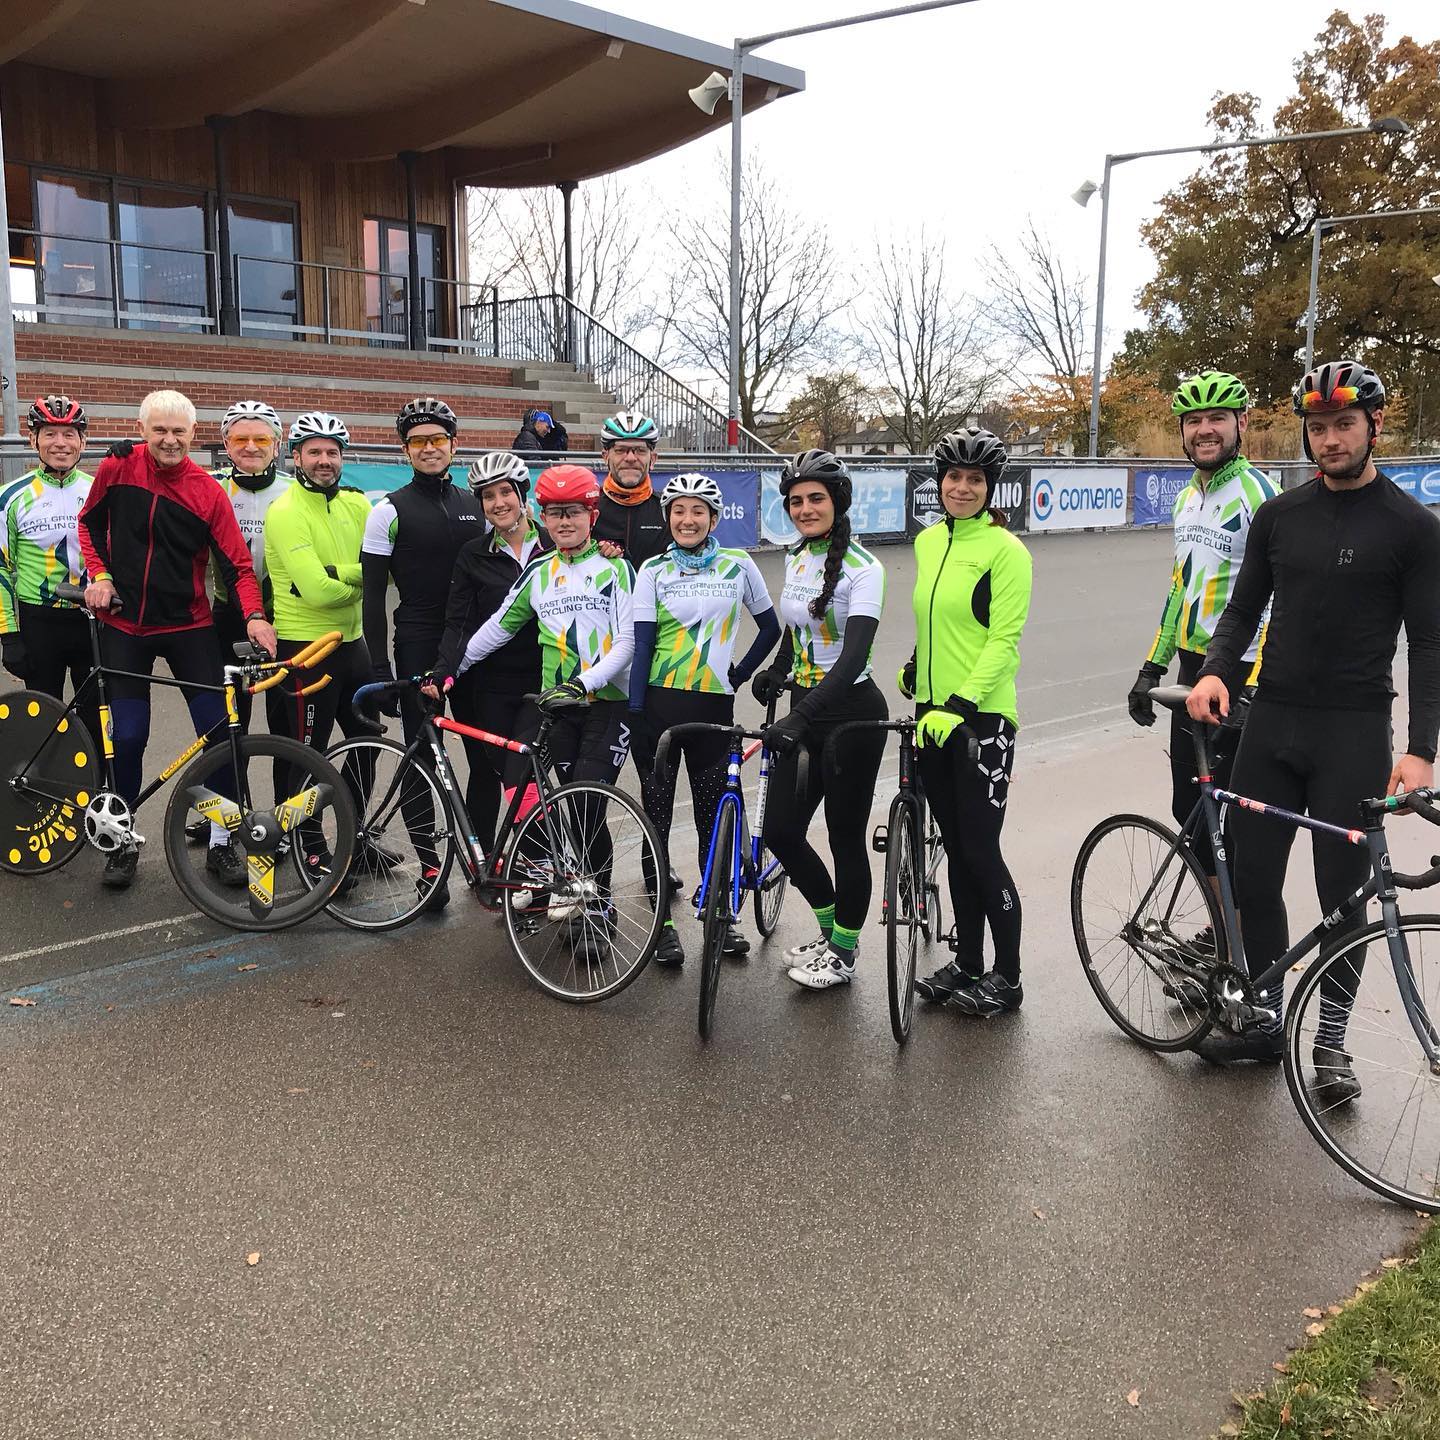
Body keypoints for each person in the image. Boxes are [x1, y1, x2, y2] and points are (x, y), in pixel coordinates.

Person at [1187, 358, 1440, 1093]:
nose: (1330, 440)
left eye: (1344, 424)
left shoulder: (1413, 529)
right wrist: (1216, 670)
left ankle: (1331, 1042)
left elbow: (1428, 645)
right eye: (1319, 427)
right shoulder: (1280, 516)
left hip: (1353, 732)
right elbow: (1242, 610)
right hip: (1272, 720)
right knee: (1253, 878)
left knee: (1344, 896)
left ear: (1374, 426)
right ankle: (1266, 1019)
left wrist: (1421, 749)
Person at [77, 389, 275, 889]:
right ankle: (121, 839)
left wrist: (254, 616)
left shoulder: (207, 492)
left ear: (193, 434)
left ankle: (221, 841)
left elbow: (238, 566)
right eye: (159, 430)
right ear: (142, 430)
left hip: (189, 626)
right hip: (125, 626)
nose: (170, 439)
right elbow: (88, 525)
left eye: (179, 431)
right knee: (127, 736)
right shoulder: (117, 468)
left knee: (221, 733)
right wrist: (99, 575)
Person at [436, 464, 635, 962]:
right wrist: (448, 672)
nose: (563, 521)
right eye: (554, 513)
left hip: (605, 704)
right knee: (558, 800)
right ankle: (572, 892)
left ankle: (600, 909)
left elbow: (628, 642)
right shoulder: (540, 571)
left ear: (591, 515)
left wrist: (583, 683)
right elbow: (497, 627)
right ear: (541, 517)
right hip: (557, 707)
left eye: (573, 512)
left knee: (587, 806)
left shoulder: (615, 567)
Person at [1127, 372, 1278, 921]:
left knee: (1237, 820)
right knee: (1190, 808)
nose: (1205, 430)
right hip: (1193, 669)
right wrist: (1152, 666)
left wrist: (1256, 685)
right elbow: (1180, 587)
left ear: (1242, 423)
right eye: (1194, 421)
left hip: (1242, 669)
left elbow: (1278, 598)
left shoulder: (1261, 495)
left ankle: (1244, 938)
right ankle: (1220, 931)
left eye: (1217, 418)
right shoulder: (1188, 497)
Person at [901, 428, 1033, 1017]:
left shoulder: (1007, 551)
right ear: (939, 481)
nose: (961, 487)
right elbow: (940, 622)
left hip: (982, 721)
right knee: (953, 846)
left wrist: (960, 703)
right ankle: (969, 963)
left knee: (980, 850)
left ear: (990, 487)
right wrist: (917, 669)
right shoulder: (928, 542)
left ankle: (1009, 976)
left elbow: (1003, 641)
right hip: (933, 716)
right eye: (953, 477)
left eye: (974, 479)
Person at [628, 473, 781, 967]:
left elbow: (770, 628)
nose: (687, 520)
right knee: (656, 817)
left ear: (714, 519)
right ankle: (662, 926)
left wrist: (738, 674)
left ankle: (720, 913)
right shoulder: (653, 569)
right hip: (658, 708)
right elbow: (643, 644)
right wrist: (635, 711)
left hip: (714, 709)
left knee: (712, 818)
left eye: (698, 511)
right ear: (668, 518)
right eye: (678, 511)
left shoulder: (739, 565)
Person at [751, 449, 888, 991]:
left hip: (852, 715)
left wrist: (801, 714)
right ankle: (833, 933)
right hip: (805, 712)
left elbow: (851, 659)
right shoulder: (798, 557)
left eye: (816, 499)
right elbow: (798, 630)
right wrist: (776, 668)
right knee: (781, 830)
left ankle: (845, 954)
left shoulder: (865, 568)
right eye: (796, 501)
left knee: (843, 837)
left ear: (838, 502)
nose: (805, 509)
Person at [362, 397, 485, 909]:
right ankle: (431, 868)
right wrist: (379, 668)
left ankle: (485, 857)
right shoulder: (388, 510)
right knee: (423, 759)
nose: (429, 448)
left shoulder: (477, 504)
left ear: (454, 445)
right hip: (416, 641)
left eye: (437, 439)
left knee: (484, 755)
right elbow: (373, 598)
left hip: (474, 645)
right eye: (418, 442)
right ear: (405, 450)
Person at [433, 452, 552, 850]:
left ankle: (542, 862)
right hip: (492, 686)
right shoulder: (473, 553)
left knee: (523, 778)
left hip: (545, 681)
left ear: (522, 494)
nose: (498, 503)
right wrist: (444, 670)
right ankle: (498, 860)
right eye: (488, 496)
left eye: (506, 492)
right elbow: (459, 622)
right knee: (503, 776)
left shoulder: (555, 544)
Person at [0, 395, 101, 749]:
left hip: (91, 620)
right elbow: (0, 569)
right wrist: (8, 635)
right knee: (43, 724)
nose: (60, 443)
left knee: (95, 720)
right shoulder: (10, 496)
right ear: (33, 440)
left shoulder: (98, 491)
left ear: (83, 442)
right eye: (50, 434)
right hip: (39, 622)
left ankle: (97, 783)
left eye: (70, 434)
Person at [593, 410, 667, 567]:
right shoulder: (588, 507)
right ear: (605, 457)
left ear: (653, 459)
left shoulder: (667, 509)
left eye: (640, 450)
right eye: (620, 450)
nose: (631, 458)